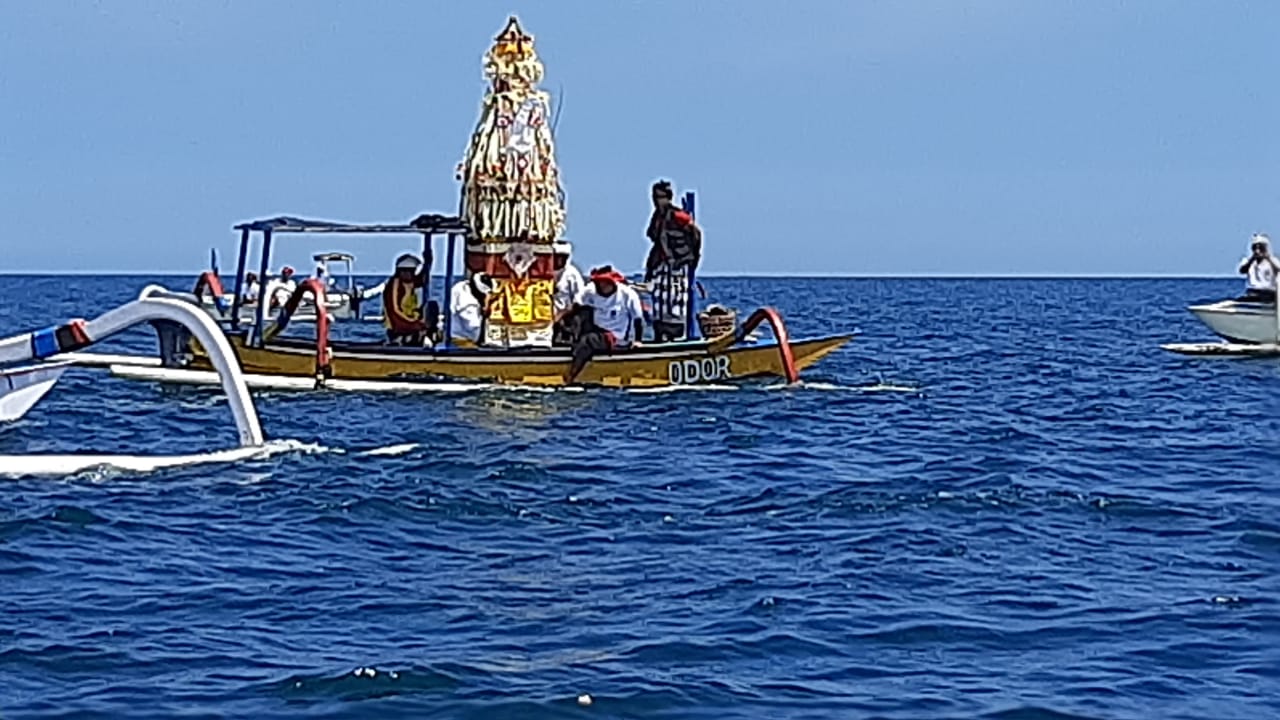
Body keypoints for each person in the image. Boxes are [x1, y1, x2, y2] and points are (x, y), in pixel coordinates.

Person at [644, 180, 703, 342]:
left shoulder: (678, 216)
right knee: (659, 298)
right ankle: (660, 334)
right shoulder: (658, 217)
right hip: (661, 264)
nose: (657, 201)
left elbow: (696, 233)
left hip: (677, 264)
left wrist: (691, 256)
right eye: (655, 197)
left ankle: (674, 334)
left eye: (661, 197)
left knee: (674, 301)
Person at [565, 265, 645, 384]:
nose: (603, 286)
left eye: (606, 283)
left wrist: (638, 340)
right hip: (595, 328)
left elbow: (638, 318)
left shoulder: (628, 294)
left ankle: (571, 376)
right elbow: (577, 304)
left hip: (615, 336)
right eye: (600, 283)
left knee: (589, 340)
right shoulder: (590, 290)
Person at [382, 253, 439, 345]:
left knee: (432, 306)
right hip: (398, 327)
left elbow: (423, 278)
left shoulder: (411, 283)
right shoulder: (395, 285)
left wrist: (428, 263)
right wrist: (413, 323)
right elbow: (395, 310)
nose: (412, 275)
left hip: (411, 323)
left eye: (413, 271)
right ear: (401, 271)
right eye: (410, 271)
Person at [448, 272, 494, 346]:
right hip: (460, 339)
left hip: (472, 339)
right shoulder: (461, 293)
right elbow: (473, 324)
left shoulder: (459, 287)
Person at [552, 261, 586, 345]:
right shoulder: (536, 270)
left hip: (566, 316)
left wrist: (561, 314)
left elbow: (580, 299)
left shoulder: (572, 273)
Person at [1238, 233, 1279, 303]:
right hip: (1252, 292)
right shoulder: (1247, 261)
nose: (1258, 251)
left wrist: (1268, 258)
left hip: (1269, 293)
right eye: (1255, 248)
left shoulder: (1273, 261)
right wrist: (1252, 259)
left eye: (1261, 248)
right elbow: (1242, 270)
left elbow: (1278, 269)